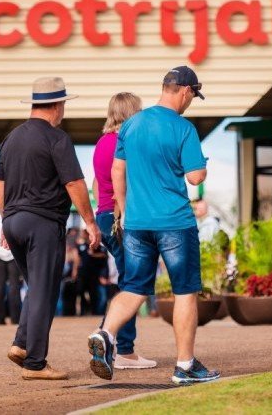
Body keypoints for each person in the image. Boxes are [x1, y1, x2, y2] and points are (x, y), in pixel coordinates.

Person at [87, 65, 219, 385]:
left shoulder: (131, 125)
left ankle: (105, 333)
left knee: (133, 286)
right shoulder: (182, 128)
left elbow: (118, 170)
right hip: (174, 221)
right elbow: (195, 177)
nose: (190, 102)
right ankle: (185, 365)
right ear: (185, 91)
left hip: (136, 223)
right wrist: (200, 166)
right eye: (192, 96)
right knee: (185, 291)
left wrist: (124, 211)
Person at [0, 76, 101, 381]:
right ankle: (36, 364)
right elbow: (74, 183)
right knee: (44, 291)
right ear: (57, 105)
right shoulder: (57, 138)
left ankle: (21, 344)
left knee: (36, 288)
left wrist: (6, 220)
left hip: (13, 221)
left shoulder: (11, 138)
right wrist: (90, 222)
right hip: (42, 222)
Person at [91, 91, 156, 369]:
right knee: (134, 284)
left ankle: (104, 338)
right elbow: (129, 183)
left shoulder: (101, 143)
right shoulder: (126, 143)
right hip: (124, 219)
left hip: (104, 216)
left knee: (128, 280)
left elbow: (96, 183)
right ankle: (124, 351)